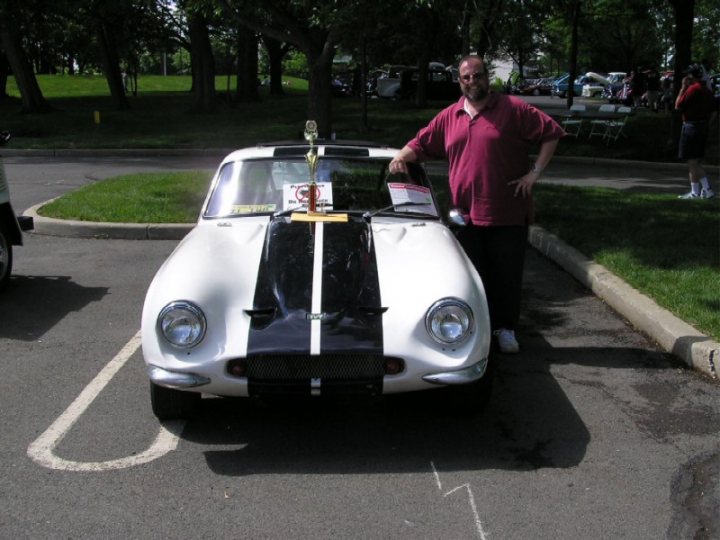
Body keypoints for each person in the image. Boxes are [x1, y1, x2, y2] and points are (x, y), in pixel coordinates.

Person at [389, 55, 565, 354]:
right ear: (460, 81)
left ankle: (505, 329)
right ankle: (473, 330)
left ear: (488, 76)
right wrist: (400, 156)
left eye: (478, 75)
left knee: (505, 276)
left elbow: (552, 133)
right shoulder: (451, 115)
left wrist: (533, 174)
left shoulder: (513, 109)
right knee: (470, 277)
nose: (473, 82)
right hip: (464, 215)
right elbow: (421, 143)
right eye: (466, 78)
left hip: (506, 211)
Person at [675, 64, 717, 199]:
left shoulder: (693, 89)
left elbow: (678, 105)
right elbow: (715, 110)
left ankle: (703, 190)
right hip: (702, 126)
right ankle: (700, 190)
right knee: (696, 161)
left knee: (692, 162)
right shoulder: (707, 90)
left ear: (691, 76)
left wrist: (682, 88)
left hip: (691, 127)